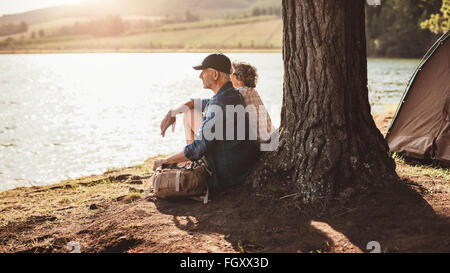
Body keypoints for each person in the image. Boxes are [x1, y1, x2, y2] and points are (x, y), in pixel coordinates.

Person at [154, 53, 260, 191]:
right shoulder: (233, 95)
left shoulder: (220, 103)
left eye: (203, 72)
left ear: (215, 74)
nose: (200, 76)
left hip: (226, 176)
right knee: (190, 112)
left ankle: (194, 166)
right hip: (239, 167)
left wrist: (165, 161)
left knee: (190, 118)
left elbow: (198, 147)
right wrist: (173, 111)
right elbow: (202, 103)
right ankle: (193, 164)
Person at [231, 62, 275, 143]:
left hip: (258, 142)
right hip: (269, 136)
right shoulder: (253, 92)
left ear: (240, 79)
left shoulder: (240, 93)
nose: (230, 77)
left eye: (232, 74)